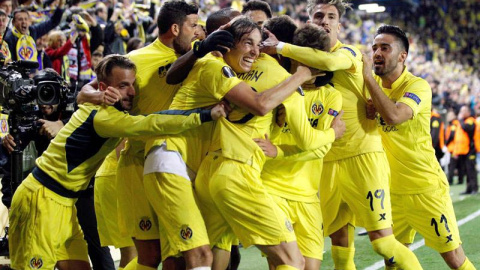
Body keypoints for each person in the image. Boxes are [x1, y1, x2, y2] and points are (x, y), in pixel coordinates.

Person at [8, 54, 226, 270]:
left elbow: (86, 92)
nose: (132, 92)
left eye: (132, 84)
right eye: (123, 86)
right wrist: (204, 115)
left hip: (65, 202)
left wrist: (91, 92)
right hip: (42, 200)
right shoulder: (104, 117)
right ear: (105, 88)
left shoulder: (103, 107)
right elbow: (152, 123)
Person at [261, 1, 422, 269]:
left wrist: (279, 46)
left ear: (339, 24)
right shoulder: (298, 59)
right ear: (309, 21)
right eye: (318, 15)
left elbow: (327, 61)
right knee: (339, 240)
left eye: (331, 16)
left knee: (382, 242)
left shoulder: (348, 53)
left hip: (362, 155)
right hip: (325, 159)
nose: (325, 20)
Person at [78, 1, 233, 269]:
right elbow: (83, 94)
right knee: (149, 256)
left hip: (181, 162)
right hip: (138, 164)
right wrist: (104, 95)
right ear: (175, 28)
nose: (198, 32)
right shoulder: (139, 59)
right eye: (193, 26)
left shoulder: (201, 57)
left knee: (177, 256)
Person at [362, 24, 476, 270]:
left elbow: (394, 115)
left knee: (454, 258)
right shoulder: (373, 89)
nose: (377, 53)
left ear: (403, 55)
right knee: (392, 261)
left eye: (385, 47)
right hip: (391, 192)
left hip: (425, 188)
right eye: (374, 48)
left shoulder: (418, 86)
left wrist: (369, 81)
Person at [256, 23, 342, 270]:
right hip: (273, 188)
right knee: (286, 265)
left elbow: (320, 149)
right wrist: (331, 133)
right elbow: (312, 143)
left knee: (311, 267)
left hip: (307, 195)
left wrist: (280, 151)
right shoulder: (279, 87)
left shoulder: (330, 96)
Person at [454, 105, 478, 195]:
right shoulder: (463, 122)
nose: (461, 113)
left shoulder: (471, 121)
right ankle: (469, 188)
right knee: (466, 171)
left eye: (464, 111)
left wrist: (460, 119)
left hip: (470, 150)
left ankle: (474, 188)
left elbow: (466, 128)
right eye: (461, 111)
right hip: (463, 151)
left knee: (471, 170)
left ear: (468, 112)